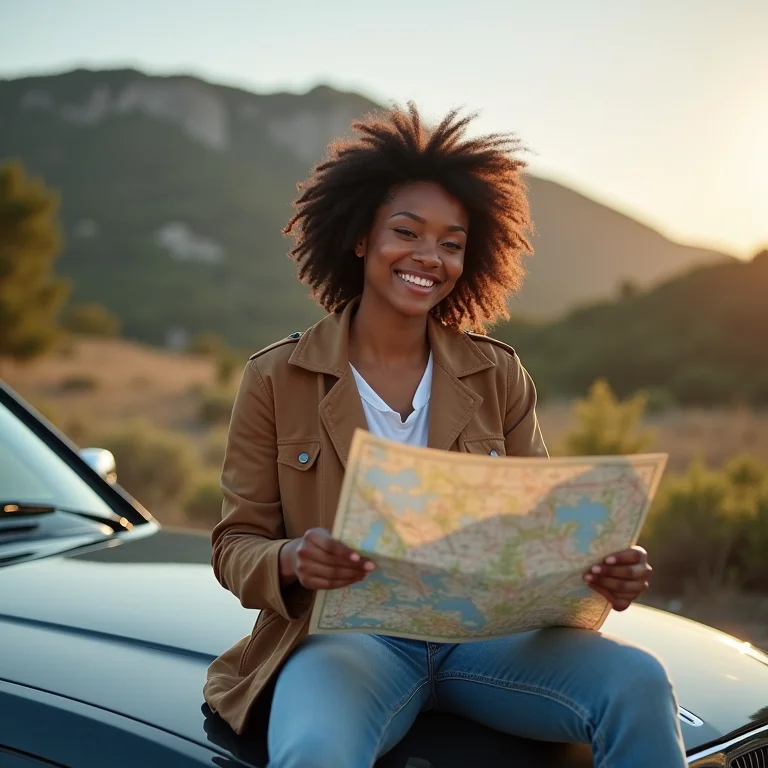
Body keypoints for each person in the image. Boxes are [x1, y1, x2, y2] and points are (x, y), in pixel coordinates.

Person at [204, 104, 688, 768]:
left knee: (639, 682)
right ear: (360, 238)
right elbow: (235, 544)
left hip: (491, 641)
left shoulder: (500, 375)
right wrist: (293, 560)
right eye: (407, 232)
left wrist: (600, 570)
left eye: (452, 243)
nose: (429, 257)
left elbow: (538, 533)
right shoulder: (275, 378)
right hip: (350, 642)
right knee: (314, 748)